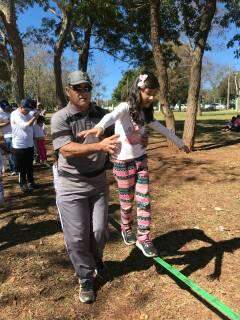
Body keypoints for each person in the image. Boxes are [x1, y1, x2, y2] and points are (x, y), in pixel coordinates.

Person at [79, 72, 190, 258]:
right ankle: (126, 227)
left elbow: (163, 129)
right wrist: (99, 127)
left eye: (155, 93)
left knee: (144, 200)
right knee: (127, 202)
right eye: (149, 93)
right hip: (122, 164)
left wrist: (180, 143)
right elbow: (111, 117)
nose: (152, 97)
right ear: (139, 89)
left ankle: (144, 237)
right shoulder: (125, 108)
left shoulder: (146, 114)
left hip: (141, 161)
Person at [51, 70, 119, 304]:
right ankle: (85, 276)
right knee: (77, 237)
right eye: (77, 88)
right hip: (70, 184)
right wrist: (99, 146)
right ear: (68, 91)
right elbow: (66, 149)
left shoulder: (102, 114)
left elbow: (119, 131)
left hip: (98, 182)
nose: (83, 92)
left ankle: (96, 260)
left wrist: (136, 138)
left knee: (100, 231)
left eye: (86, 88)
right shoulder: (60, 117)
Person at [11, 98, 40, 193]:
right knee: (21, 168)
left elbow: (35, 110)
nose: (28, 112)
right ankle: (23, 184)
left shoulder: (29, 112)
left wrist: (37, 109)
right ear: (21, 107)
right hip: (19, 146)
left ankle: (31, 182)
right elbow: (25, 126)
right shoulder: (15, 114)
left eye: (29, 110)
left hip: (29, 144)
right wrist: (35, 117)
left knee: (29, 166)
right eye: (26, 110)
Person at [0, 100, 17, 175]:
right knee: (10, 152)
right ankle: (13, 169)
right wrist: (8, 122)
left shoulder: (11, 111)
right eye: (5, 107)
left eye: (7, 106)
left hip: (15, 134)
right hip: (7, 135)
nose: (7, 108)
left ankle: (17, 167)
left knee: (16, 151)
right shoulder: (0, 114)